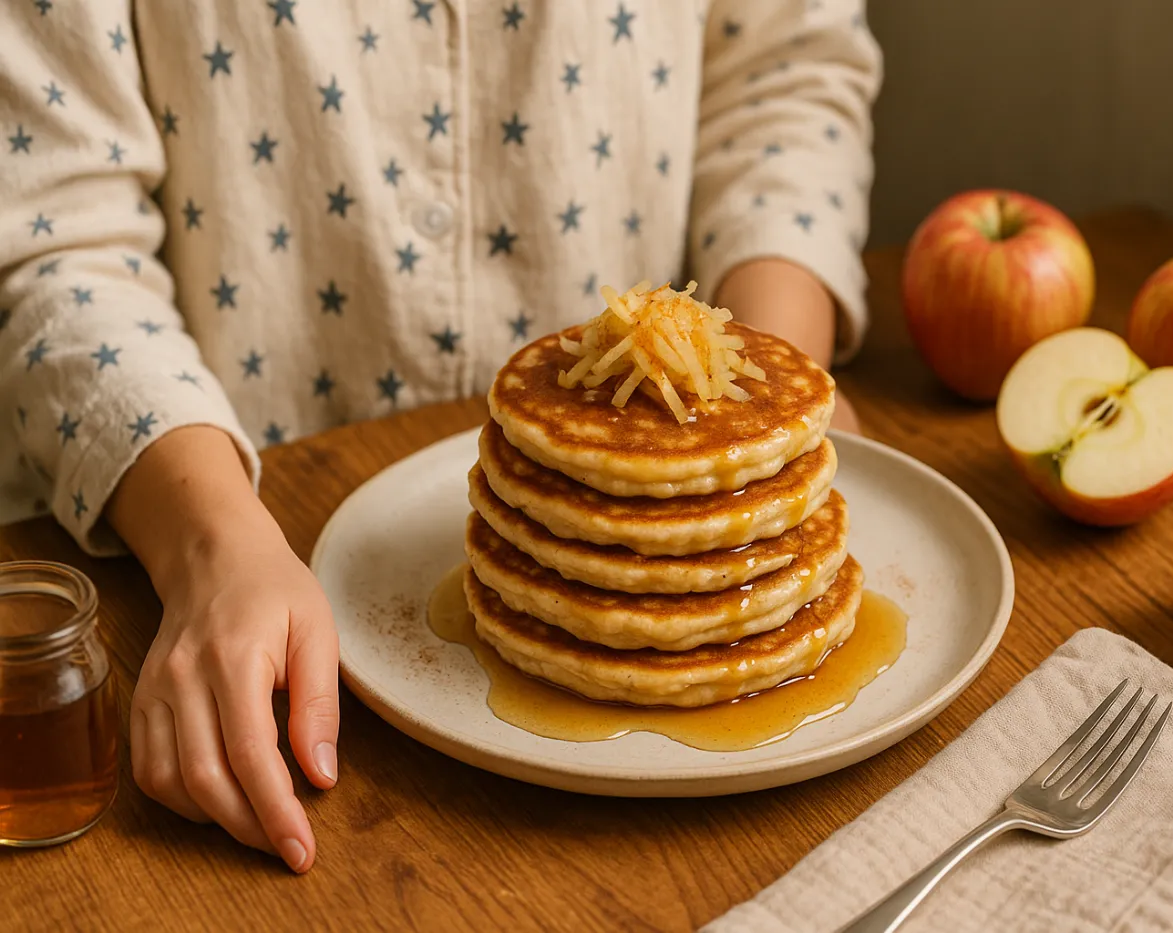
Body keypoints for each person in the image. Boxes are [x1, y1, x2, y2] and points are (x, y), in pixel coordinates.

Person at [0, 1, 880, 871]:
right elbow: (52, 222)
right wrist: (209, 550)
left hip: (768, 795)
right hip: (242, 535)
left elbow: (781, 74)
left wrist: (772, 426)